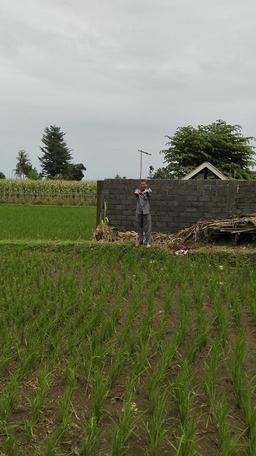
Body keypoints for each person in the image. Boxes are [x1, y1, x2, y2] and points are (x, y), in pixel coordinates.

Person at [134, 180, 152, 247]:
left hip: (146, 212)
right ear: (140, 185)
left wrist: (144, 193)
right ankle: (140, 240)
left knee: (147, 228)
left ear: (146, 185)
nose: (143, 185)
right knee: (139, 227)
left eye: (144, 184)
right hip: (139, 212)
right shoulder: (137, 191)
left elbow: (148, 194)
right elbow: (136, 194)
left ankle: (148, 242)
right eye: (141, 184)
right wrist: (138, 193)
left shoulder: (148, 191)